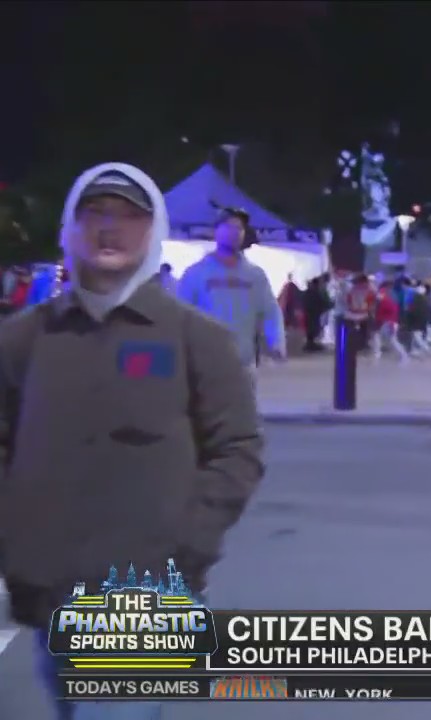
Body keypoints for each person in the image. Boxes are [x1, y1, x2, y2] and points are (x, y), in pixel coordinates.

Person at [0, 163, 263, 720]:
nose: (109, 228)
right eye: (94, 212)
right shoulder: (23, 339)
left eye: (128, 215)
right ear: (71, 229)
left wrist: (188, 542)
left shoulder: (198, 340)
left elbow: (238, 449)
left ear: (153, 230)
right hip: (50, 592)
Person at [177, 207, 286, 386]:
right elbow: (180, 314)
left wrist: (276, 342)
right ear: (216, 231)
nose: (235, 233)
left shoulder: (254, 275)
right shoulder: (196, 274)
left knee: (242, 412)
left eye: (239, 228)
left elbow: (269, 311)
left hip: (243, 364)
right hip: (205, 364)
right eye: (229, 227)